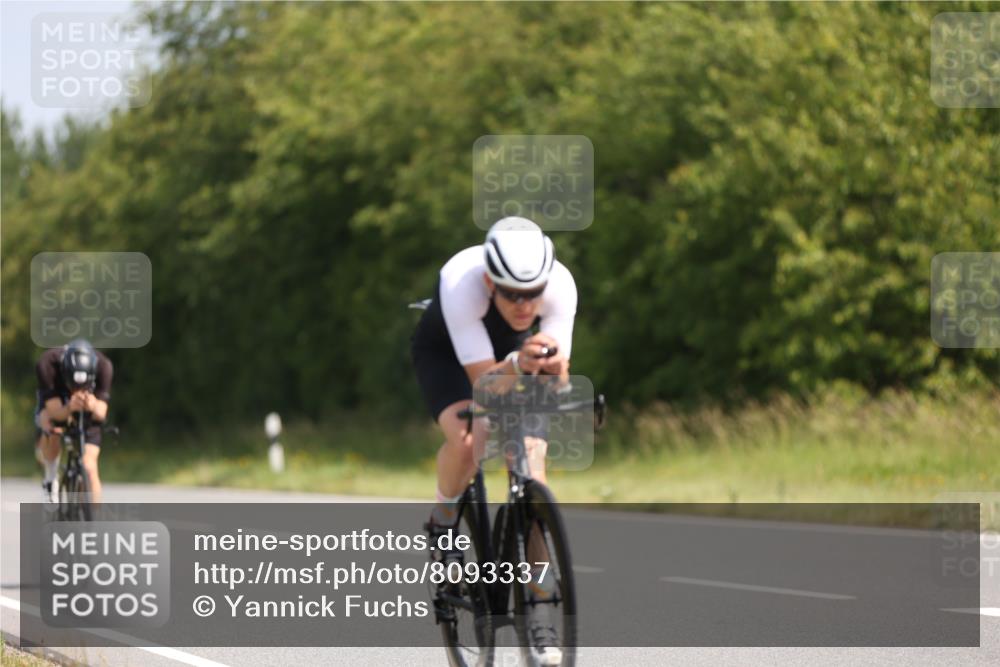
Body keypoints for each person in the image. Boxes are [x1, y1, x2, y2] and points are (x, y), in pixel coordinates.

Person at [411, 216, 576, 663]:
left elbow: (556, 381)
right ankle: (444, 514)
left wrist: (553, 370)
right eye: (512, 294)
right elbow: (483, 386)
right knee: (470, 439)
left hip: (515, 355)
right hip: (449, 354)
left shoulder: (560, 284)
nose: (525, 305)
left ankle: (539, 604)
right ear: (490, 282)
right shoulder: (460, 284)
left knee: (531, 465)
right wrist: (520, 365)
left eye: (533, 294)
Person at [34, 339, 113, 504]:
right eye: (73, 386)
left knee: (90, 468)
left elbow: (102, 413)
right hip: (57, 403)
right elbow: (54, 412)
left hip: (87, 411)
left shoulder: (104, 367)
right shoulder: (48, 364)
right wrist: (70, 407)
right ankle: (51, 478)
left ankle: (93, 523)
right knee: (50, 426)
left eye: (82, 386)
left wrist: (92, 404)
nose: (77, 391)